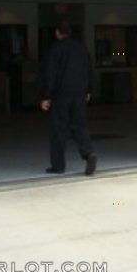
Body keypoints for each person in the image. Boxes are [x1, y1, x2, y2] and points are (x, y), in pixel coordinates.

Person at [39, 21, 97, 176]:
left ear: (57, 33)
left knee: (58, 128)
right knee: (80, 125)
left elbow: (50, 74)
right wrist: (89, 89)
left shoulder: (55, 49)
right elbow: (89, 69)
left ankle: (58, 166)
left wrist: (46, 96)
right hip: (79, 93)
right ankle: (89, 153)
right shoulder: (81, 48)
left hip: (61, 94)